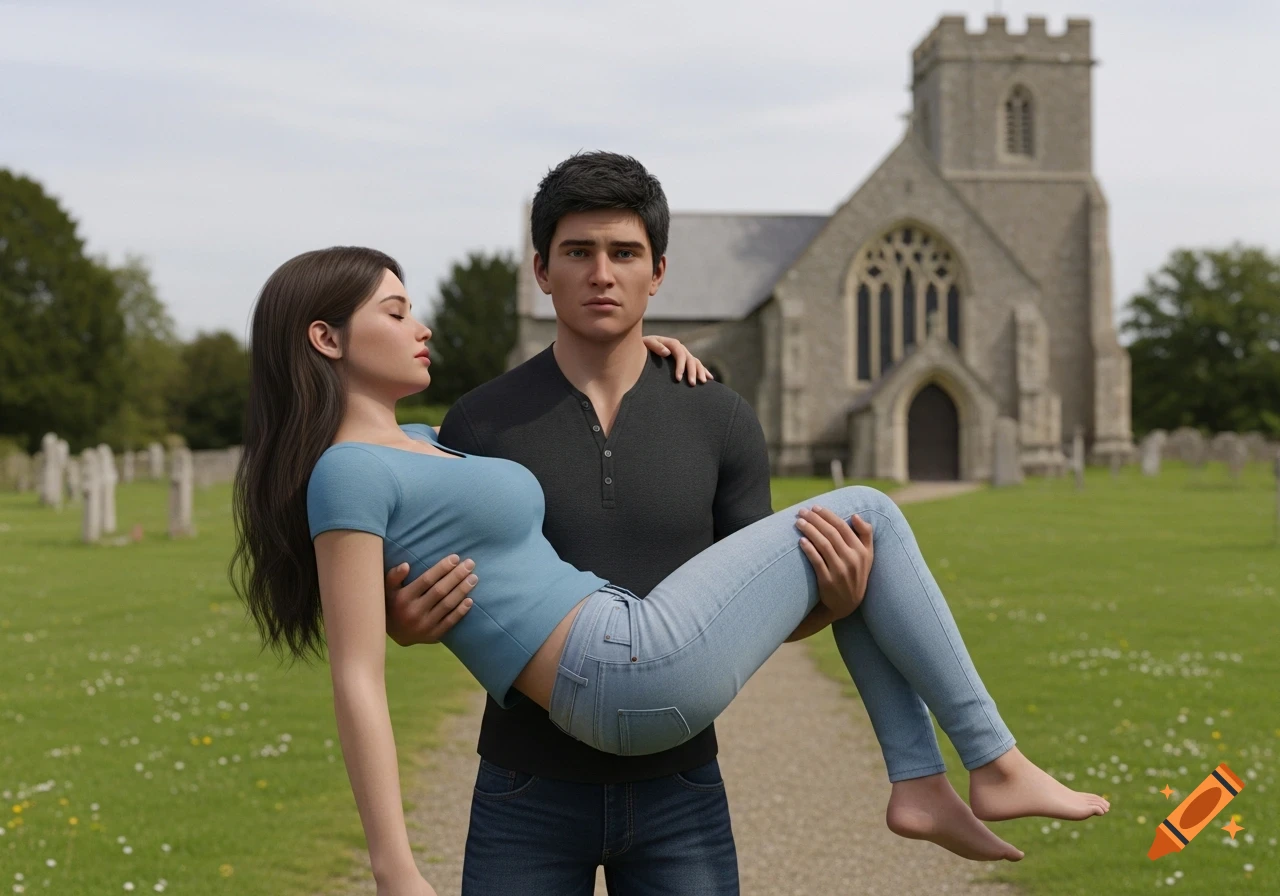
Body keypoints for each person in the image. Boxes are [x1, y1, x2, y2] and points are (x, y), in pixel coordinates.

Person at [232, 220, 1108, 896]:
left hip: (623, 660)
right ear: (326, 339)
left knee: (862, 542)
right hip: (615, 669)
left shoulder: (422, 441)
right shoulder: (347, 471)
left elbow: (459, 546)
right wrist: (395, 868)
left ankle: (923, 782)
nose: (420, 325)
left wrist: (648, 353)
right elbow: (357, 674)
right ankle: (987, 764)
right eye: (395, 311)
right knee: (871, 507)